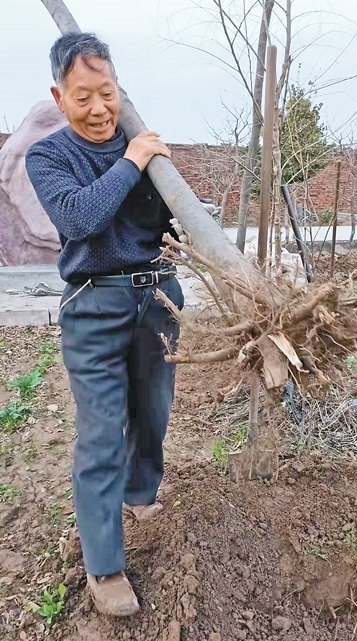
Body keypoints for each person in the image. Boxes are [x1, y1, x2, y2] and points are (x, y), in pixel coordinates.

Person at [25, 32, 184, 617]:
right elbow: (79, 218)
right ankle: (104, 564)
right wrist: (133, 160)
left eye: (107, 93)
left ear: (120, 89)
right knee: (101, 433)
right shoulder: (49, 156)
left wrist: (162, 174)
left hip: (158, 298)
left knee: (153, 412)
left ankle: (141, 494)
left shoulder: (144, 145)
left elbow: (177, 221)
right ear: (59, 97)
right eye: (83, 96)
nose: (99, 109)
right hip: (94, 306)